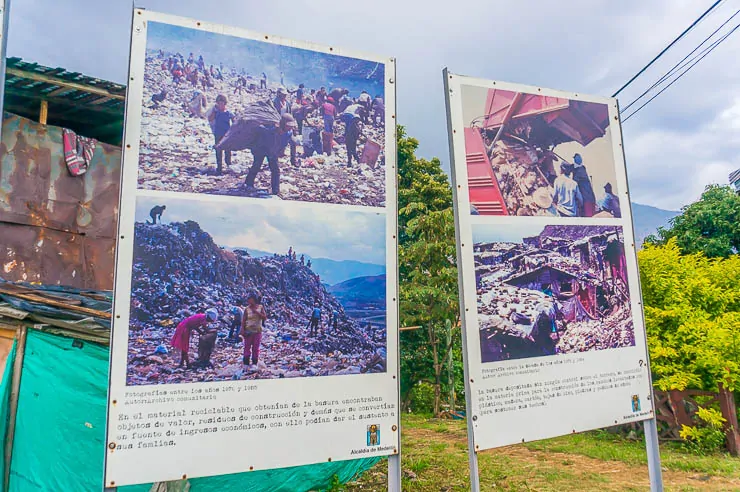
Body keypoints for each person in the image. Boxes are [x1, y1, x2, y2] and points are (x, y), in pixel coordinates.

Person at [244, 113, 298, 195]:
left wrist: (292, 160)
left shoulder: (288, 133)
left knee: (275, 170)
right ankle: (248, 184)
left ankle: (275, 191)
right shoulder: (269, 130)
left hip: (273, 152)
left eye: (291, 126)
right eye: (288, 126)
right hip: (261, 149)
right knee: (256, 166)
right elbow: (258, 129)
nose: (290, 128)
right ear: (282, 124)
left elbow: (293, 144)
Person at [207, 94, 234, 174]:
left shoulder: (228, 112)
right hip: (218, 133)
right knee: (218, 150)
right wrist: (214, 111)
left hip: (227, 134)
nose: (220, 105)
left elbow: (234, 120)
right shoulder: (216, 112)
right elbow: (210, 119)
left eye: (222, 103)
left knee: (228, 150)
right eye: (219, 103)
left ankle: (228, 165)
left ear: (225, 103)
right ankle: (219, 167)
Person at [241, 294, 266, 366]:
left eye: (249, 299)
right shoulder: (247, 309)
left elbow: (264, 317)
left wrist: (257, 312)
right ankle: (246, 363)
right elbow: (243, 320)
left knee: (255, 348)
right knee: (247, 347)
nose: (248, 300)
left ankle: (254, 363)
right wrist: (242, 329)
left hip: (257, 331)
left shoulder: (260, 307)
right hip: (248, 331)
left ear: (253, 299)